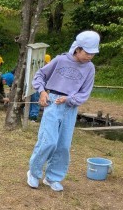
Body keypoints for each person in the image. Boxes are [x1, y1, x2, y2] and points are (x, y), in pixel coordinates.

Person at [26, 31, 100, 192]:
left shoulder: (89, 68)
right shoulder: (60, 60)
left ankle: (53, 177)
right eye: (87, 53)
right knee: (48, 141)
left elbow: (85, 92)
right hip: (53, 103)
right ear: (78, 49)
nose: (90, 56)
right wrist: (42, 92)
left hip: (70, 107)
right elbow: (40, 75)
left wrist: (69, 99)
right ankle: (34, 172)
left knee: (63, 145)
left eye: (93, 54)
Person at [29, 53, 51, 121]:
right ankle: (32, 116)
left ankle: (31, 116)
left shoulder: (41, 68)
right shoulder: (41, 69)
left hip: (36, 87)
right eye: (46, 62)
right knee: (35, 101)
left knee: (34, 101)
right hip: (38, 87)